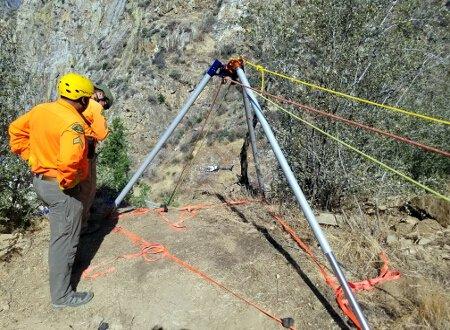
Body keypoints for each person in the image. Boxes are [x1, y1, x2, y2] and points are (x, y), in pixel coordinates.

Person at [8, 72, 95, 308]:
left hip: (41, 181)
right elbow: (69, 161)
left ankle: (64, 274)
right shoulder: (72, 124)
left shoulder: (41, 110)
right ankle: (62, 296)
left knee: (62, 235)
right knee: (64, 240)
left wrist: (31, 157)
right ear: (83, 100)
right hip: (60, 188)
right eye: (87, 99)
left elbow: (15, 131)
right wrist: (68, 182)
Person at [79, 83, 114, 235]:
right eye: (104, 103)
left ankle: (79, 220)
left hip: (73, 149)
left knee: (78, 188)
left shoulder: (76, 104)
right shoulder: (94, 105)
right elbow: (102, 134)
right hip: (86, 150)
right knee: (88, 188)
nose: (103, 106)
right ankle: (83, 225)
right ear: (100, 95)